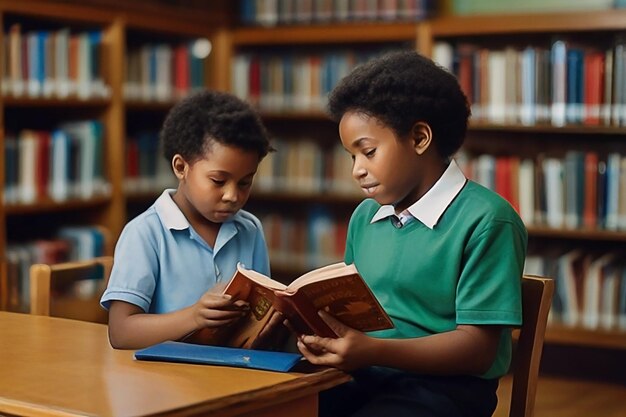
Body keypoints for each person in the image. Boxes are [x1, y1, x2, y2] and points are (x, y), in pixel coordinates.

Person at [295, 50, 528, 417]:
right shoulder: (364, 217)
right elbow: (355, 313)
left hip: (446, 390)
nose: (357, 170)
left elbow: (478, 350)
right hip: (362, 374)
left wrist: (373, 351)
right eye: (350, 156)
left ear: (420, 138)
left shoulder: (487, 220)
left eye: (368, 152)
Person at [101, 90, 274, 350]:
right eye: (218, 181)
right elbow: (121, 332)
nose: (232, 195)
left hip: (235, 375)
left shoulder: (250, 229)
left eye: (245, 182)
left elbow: (262, 317)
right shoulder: (145, 233)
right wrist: (194, 317)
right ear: (181, 167)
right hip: (164, 383)